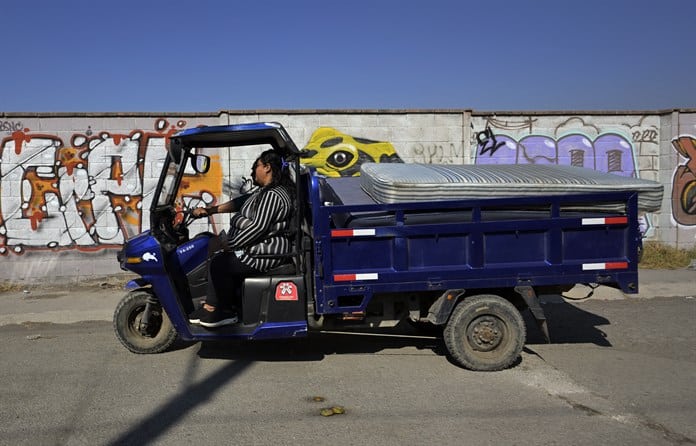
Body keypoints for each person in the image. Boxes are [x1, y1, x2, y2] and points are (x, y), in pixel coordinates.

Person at [188, 149, 294, 328]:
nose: (252, 172)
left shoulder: (274, 195)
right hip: (255, 248)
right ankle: (212, 306)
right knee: (216, 256)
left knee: (220, 263)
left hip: (265, 252)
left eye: (256, 167)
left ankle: (225, 311)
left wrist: (231, 244)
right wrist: (210, 211)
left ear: (267, 168)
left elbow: (258, 227)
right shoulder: (263, 192)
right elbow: (238, 203)